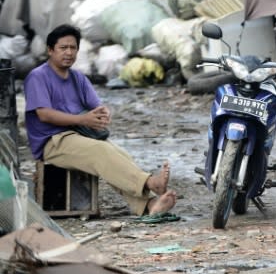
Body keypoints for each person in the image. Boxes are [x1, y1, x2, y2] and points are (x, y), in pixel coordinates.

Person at [23, 24, 176, 217]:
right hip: (52, 141)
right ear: (50, 50)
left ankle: (149, 205)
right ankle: (150, 183)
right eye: (63, 48)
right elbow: (44, 114)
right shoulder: (38, 77)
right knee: (101, 151)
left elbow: (97, 106)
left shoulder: (77, 77)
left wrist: (103, 113)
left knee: (118, 153)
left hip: (78, 135)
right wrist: (83, 119)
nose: (69, 52)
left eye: (73, 48)